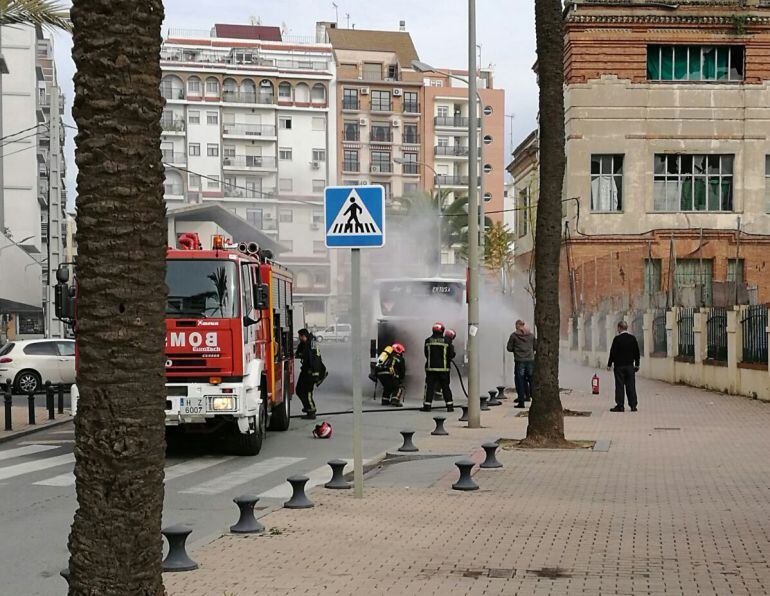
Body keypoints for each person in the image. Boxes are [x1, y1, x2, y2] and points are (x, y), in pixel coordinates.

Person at [607, 320, 641, 412]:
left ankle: (620, 406)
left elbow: (612, 353)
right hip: (630, 366)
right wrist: (637, 364)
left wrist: (609, 364)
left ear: (619, 328)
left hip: (619, 367)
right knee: (631, 386)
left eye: (618, 328)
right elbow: (637, 352)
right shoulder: (632, 338)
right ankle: (633, 405)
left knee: (619, 386)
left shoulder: (617, 339)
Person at [423, 322, 454, 412]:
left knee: (430, 388)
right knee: (445, 388)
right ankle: (449, 406)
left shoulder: (427, 341)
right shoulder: (447, 341)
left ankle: (427, 406)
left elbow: (426, 354)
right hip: (444, 370)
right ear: (442, 330)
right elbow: (451, 355)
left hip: (431, 369)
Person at [295, 328, 325, 419]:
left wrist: (315, 374)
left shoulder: (312, 344)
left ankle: (311, 411)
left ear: (303, 336)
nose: (299, 338)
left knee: (307, 392)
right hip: (305, 370)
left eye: (300, 337)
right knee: (299, 390)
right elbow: (299, 353)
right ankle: (308, 408)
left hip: (311, 372)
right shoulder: (306, 343)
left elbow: (316, 359)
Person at [507, 320, 536, 408]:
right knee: (531, 380)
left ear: (517, 326)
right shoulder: (531, 335)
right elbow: (535, 346)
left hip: (520, 361)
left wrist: (517, 350)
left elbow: (509, 348)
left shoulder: (514, 336)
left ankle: (521, 402)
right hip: (530, 360)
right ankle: (533, 399)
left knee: (520, 381)